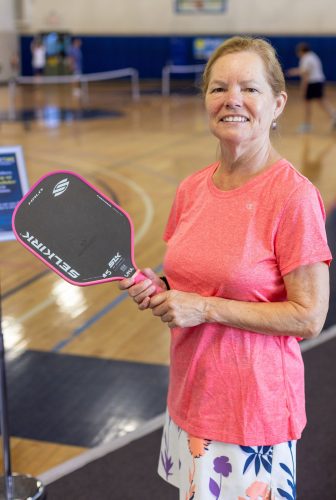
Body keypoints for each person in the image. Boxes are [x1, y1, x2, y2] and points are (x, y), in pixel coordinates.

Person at [119, 36, 332, 499]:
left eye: (249, 89)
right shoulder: (192, 189)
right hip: (191, 399)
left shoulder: (292, 197)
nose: (231, 99)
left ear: (277, 104)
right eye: (218, 88)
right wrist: (164, 287)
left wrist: (204, 308)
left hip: (251, 412)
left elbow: (309, 316)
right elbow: (192, 278)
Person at [286, 42, 336, 133]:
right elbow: (304, 71)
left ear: (301, 51)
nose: (298, 54)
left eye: (298, 51)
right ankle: (333, 115)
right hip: (319, 81)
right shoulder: (313, 56)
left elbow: (305, 74)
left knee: (307, 103)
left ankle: (307, 125)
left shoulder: (305, 58)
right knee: (321, 100)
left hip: (312, 83)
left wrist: (303, 88)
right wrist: (294, 71)